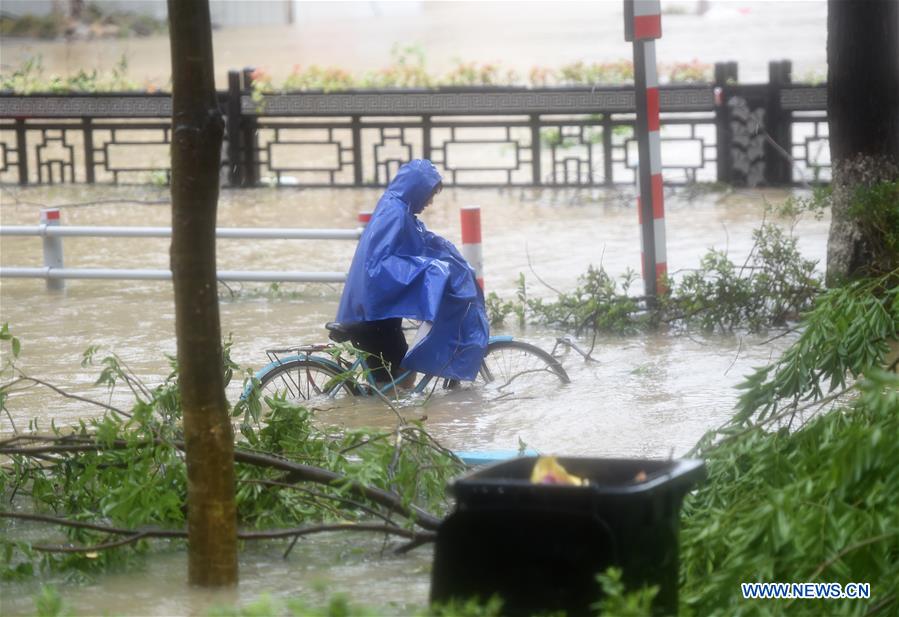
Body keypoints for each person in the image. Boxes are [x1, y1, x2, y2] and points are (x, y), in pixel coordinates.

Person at [335, 159, 488, 384]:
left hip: (378, 310)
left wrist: (449, 257)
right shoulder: (394, 214)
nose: (430, 202)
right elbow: (380, 265)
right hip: (372, 314)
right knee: (395, 383)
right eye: (430, 194)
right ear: (417, 189)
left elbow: (422, 243)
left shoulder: (398, 209)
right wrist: (431, 269)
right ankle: (380, 416)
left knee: (402, 374)